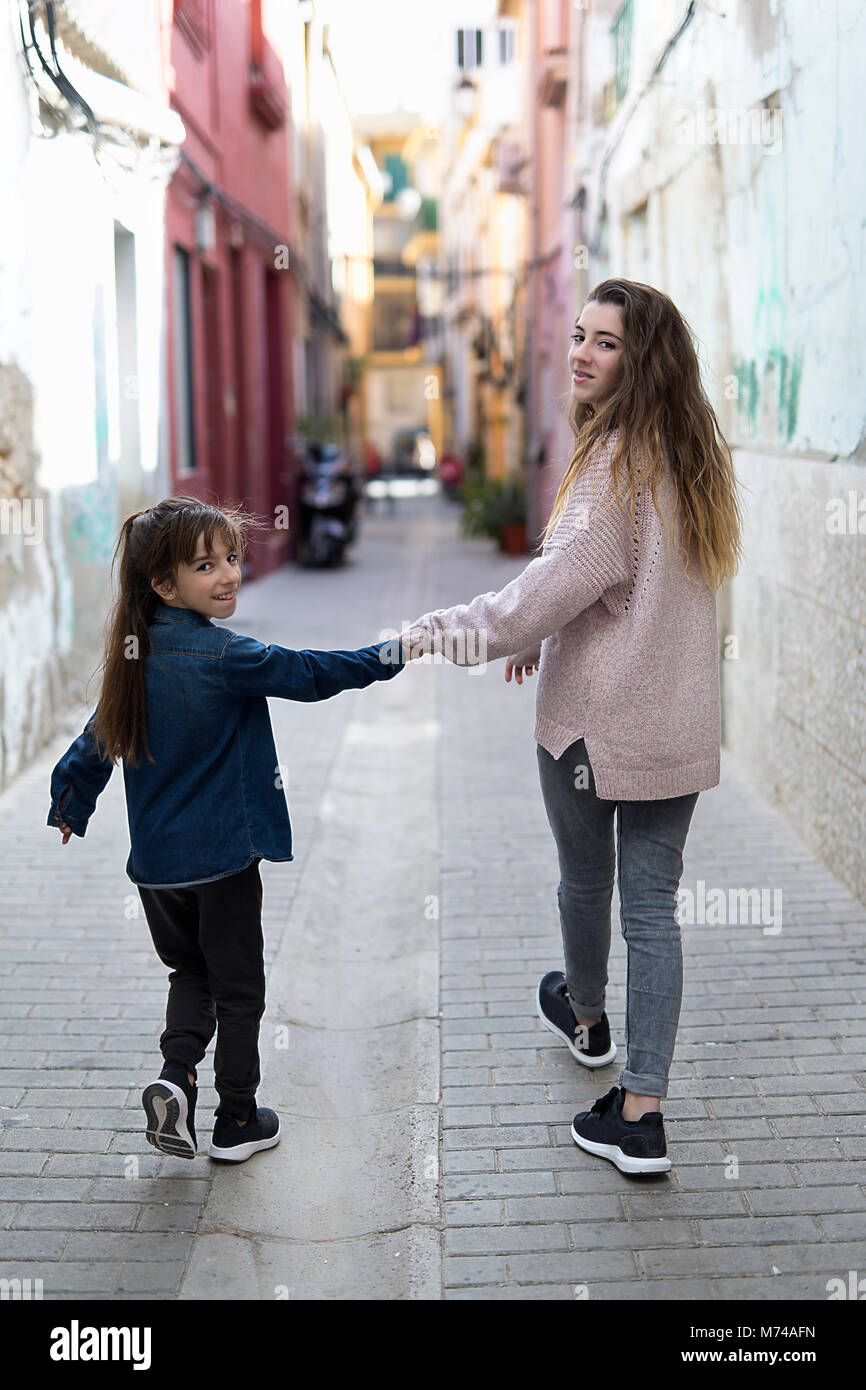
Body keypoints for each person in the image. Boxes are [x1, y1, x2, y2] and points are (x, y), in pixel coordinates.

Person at [397, 278, 744, 1175]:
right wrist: (545, 625)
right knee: (655, 912)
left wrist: (434, 635)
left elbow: (538, 595)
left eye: (607, 343)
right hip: (677, 725)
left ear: (643, 360)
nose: (584, 354)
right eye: (580, 336)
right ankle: (645, 1109)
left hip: (593, 729)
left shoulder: (612, 464)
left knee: (586, 885)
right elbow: (617, 588)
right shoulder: (692, 458)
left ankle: (588, 1019)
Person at [47, 497, 406, 1163]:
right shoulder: (226, 654)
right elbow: (310, 673)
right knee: (240, 991)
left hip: (157, 871)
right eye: (206, 565)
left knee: (190, 970)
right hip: (224, 862)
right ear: (163, 584)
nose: (229, 574)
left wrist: (70, 803)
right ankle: (237, 1120)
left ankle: (176, 1078)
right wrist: (392, 652)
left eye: (233, 558)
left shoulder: (135, 656)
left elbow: (94, 741)